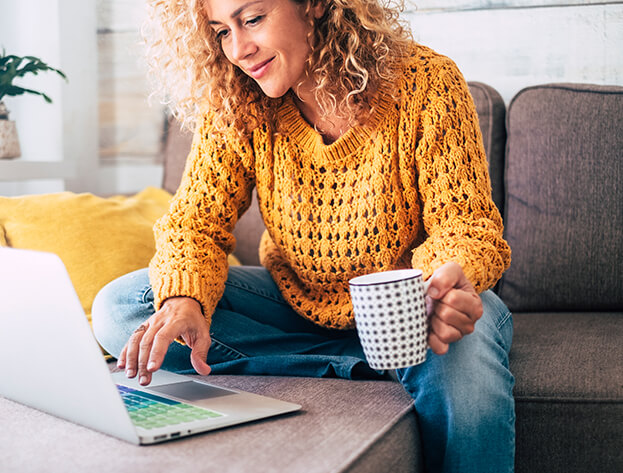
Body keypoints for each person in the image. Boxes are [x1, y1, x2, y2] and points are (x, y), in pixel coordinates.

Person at [92, 1, 514, 472]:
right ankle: (369, 362)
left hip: (412, 309)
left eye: (252, 20)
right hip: (297, 305)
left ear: (313, 5)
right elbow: (195, 224)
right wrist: (184, 299)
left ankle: (397, 355)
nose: (239, 50)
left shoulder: (425, 83)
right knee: (121, 307)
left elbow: (465, 226)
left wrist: (438, 286)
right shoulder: (237, 99)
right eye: (220, 32)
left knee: (462, 348)